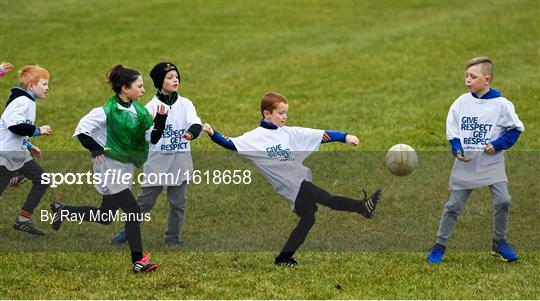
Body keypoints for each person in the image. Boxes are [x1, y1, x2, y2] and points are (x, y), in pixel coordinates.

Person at [202, 91, 382, 266]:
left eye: (285, 113)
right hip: (291, 187)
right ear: (267, 113)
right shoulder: (254, 138)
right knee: (328, 199)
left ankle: (284, 258)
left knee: (308, 219)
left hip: (299, 183)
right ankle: (361, 207)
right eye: (280, 113)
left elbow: (320, 135)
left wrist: (345, 137)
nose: (284, 117)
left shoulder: (288, 133)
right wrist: (212, 132)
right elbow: (230, 143)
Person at [50, 64, 165, 273]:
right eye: (139, 86)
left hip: (126, 167)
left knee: (106, 216)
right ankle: (138, 261)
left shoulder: (138, 110)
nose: (143, 90)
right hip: (108, 166)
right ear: (124, 88)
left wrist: (161, 122)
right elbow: (82, 129)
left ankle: (63, 210)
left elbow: (152, 138)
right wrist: (95, 148)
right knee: (133, 211)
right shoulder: (106, 111)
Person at [427, 57, 525, 264]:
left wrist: (498, 145)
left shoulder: (501, 105)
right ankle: (439, 245)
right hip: (467, 163)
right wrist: (457, 148)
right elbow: (453, 132)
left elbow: (516, 129)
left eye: (473, 77)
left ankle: (499, 243)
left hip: (492, 162)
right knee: (453, 206)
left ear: (487, 79)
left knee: (503, 200)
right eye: (466, 76)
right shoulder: (461, 102)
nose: (468, 80)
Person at [111, 62, 202, 246]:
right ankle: (128, 230)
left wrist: (191, 132)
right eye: (169, 77)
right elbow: (146, 137)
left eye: (176, 76)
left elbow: (196, 123)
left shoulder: (186, 104)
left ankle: (172, 237)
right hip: (157, 164)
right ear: (160, 82)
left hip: (179, 163)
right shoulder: (150, 108)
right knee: (145, 202)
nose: (175, 80)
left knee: (178, 203)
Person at [0, 65, 52, 236]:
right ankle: (15, 177)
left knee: (43, 179)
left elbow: (18, 128)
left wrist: (28, 145)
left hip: (18, 154)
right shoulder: (22, 101)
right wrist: (38, 131)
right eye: (44, 84)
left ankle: (23, 220)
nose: (47, 88)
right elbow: (14, 126)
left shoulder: (27, 101)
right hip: (5, 155)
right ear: (31, 86)